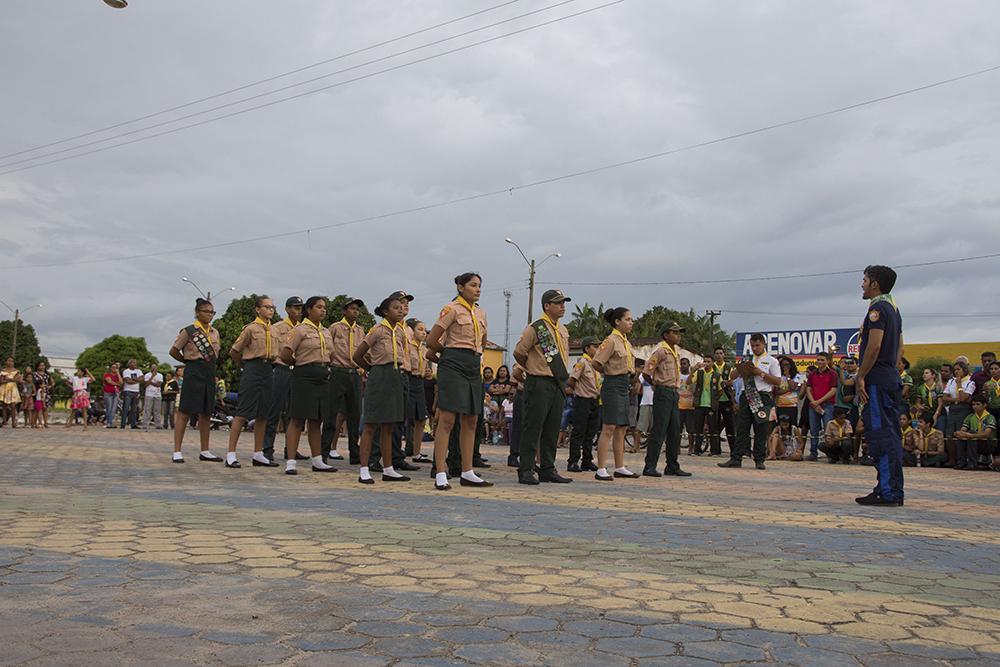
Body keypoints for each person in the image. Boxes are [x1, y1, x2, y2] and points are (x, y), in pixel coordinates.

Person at [425, 273, 492, 490]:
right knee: (447, 419)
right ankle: (441, 472)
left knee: (472, 419)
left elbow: (482, 342)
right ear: (461, 287)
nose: (478, 289)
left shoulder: (481, 312)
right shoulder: (451, 309)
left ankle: (467, 471)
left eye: (479, 285)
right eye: (473, 285)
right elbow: (431, 340)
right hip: (453, 362)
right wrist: (447, 355)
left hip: (473, 364)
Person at [854, 265, 905, 506]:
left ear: (875, 283)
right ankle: (894, 490)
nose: (862, 284)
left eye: (864, 280)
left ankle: (887, 492)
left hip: (877, 381)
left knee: (881, 436)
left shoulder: (877, 308)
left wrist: (861, 376)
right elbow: (899, 349)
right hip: (890, 377)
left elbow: (874, 346)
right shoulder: (894, 308)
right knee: (892, 436)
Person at [513, 289, 573, 485]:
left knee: (552, 428)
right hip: (538, 381)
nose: (562, 306)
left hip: (557, 383)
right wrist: (530, 368)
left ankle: (548, 468)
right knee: (533, 426)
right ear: (547, 305)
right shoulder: (536, 328)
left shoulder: (563, 330)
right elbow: (519, 352)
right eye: (558, 303)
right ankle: (526, 469)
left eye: (563, 302)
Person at [353, 293, 412, 484]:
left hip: (396, 376)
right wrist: (372, 369)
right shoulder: (377, 330)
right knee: (371, 424)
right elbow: (358, 355)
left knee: (390, 425)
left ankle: (388, 469)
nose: (400, 310)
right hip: (379, 376)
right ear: (385, 311)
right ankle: (364, 469)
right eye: (396, 308)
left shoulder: (401, 332)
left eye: (401, 308)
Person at [280, 296, 338, 476]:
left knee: (317, 419)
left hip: (322, 377)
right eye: (319, 307)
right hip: (304, 376)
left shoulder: (326, 331)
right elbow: (286, 354)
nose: (323, 310)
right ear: (309, 309)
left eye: (324, 307)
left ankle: (317, 459)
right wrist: (300, 365)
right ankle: (291, 461)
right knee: (297, 419)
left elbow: (332, 354)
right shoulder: (299, 330)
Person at [225, 295, 280, 468]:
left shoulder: (275, 330)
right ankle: (231, 454)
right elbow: (235, 351)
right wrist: (244, 366)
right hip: (252, 368)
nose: (270, 310)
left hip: (268, 369)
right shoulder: (250, 329)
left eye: (272, 307)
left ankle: (258, 454)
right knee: (242, 413)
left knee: (263, 413)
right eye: (266, 306)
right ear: (257, 309)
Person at [169, 298, 223, 463]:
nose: (210, 315)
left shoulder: (214, 332)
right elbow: (174, 350)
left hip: (209, 371)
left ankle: (205, 450)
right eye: (206, 311)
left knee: (206, 412)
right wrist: (188, 361)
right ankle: (177, 451)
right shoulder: (189, 330)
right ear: (197, 313)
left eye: (212, 312)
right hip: (193, 371)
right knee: (185, 411)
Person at [718, 333, 782, 470]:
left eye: (757, 345)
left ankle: (759, 459)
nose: (754, 348)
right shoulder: (747, 359)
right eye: (752, 345)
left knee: (760, 429)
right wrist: (741, 369)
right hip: (746, 395)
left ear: (764, 344)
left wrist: (760, 373)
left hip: (762, 395)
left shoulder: (771, 361)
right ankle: (736, 458)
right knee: (741, 428)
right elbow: (733, 376)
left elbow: (777, 381)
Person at [591, 307, 640, 481]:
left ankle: (620, 466)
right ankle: (601, 468)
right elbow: (597, 362)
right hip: (612, 384)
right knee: (609, 426)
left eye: (631, 319)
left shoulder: (626, 342)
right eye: (627, 319)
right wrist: (609, 371)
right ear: (617, 321)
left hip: (624, 385)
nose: (631, 322)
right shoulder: (610, 340)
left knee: (622, 427)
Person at [641, 321, 691, 478]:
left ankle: (672, 465)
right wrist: (656, 385)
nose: (678, 336)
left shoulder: (674, 352)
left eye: (679, 332)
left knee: (675, 430)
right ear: (666, 334)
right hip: (663, 392)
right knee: (659, 430)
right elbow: (646, 373)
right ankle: (650, 466)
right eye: (675, 332)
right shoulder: (661, 351)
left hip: (674, 392)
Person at [323, 297, 365, 465]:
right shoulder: (335, 328)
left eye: (357, 309)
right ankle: (324, 452)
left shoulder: (360, 330)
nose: (355, 311)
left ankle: (355, 453)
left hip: (354, 373)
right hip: (338, 371)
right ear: (344, 311)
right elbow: (327, 348)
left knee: (355, 414)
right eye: (352, 308)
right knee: (331, 413)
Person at [262, 296, 303, 462]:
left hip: (298, 371)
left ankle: (291, 449)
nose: (298, 311)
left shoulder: (304, 328)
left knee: (295, 413)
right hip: (282, 370)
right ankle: (267, 448)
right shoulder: (277, 327)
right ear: (287, 309)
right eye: (295, 307)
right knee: (275, 410)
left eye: (300, 308)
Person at [567, 336, 601, 472]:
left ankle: (587, 460)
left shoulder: (596, 364)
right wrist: (580, 391)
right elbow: (571, 380)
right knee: (579, 432)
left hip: (594, 400)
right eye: (595, 346)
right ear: (587, 348)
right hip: (582, 400)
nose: (598, 349)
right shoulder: (582, 362)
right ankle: (573, 461)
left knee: (590, 432)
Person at [405, 318, 432, 463]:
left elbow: (425, 367)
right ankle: (398, 450)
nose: (424, 332)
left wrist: (427, 372)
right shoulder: (407, 346)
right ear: (411, 331)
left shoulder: (423, 348)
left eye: (424, 330)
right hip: (409, 380)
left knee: (421, 418)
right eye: (419, 329)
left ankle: (417, 453)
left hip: (420, 383)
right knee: (405, 417)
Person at [941, 360, 975, 468]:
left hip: (964, 409)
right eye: (955, 370)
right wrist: (956, 399)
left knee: (960, 434)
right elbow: (945, 397)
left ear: (964, 370)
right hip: (953, 408)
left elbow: (965, 397)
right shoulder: (951, 381)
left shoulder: (970, 382)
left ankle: (962, 460)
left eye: (958, 369)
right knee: (950, 434)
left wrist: (959, 385)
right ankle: (952, 459)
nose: (956, 372)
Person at [806, 352, 838, 461]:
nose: (820, 362)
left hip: (828, 404)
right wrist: (814, 402)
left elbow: (834, 390)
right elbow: (808, 389)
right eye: (818, 359)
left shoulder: (833, 374)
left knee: (828, 430)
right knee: (814, 430)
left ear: (828, 361)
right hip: (813, 405)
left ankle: (830, 454)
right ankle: (813, 453)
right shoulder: (812, 374)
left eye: (822, 360)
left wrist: (819, 401)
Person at [955, 394, 996, 470]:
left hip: (987, 443)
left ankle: (972, 464)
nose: (975, 406)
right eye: (973, 404)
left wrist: (970, 435)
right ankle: (961, 462)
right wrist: (959, 433)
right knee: (961, 438)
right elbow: (963, 430)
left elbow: (987, 434)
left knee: (971, 435)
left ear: (984, 405)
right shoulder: (970, 416)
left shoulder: (990, 417)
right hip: (974, 441)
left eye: (978, 404)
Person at [689, 356, 716, 455]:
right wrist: (693, 370)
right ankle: (697, 450)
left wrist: (714, 399)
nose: (706, 363)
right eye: (705, 361)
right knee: (698, 428)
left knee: (712, 428)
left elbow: (720, 390)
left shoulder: (716, 375)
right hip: (699, 404)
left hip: (711, 405)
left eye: (709, 361)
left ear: (712, 363)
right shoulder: (699, 373)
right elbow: (688, 382)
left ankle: (714, 451)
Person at [712, 346, 736, 452]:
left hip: (726, 399)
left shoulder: (729, 367)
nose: (718, 355)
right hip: (714, 400)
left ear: (724, 355)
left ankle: (733, 449)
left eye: (720, 353)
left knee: (729, 425)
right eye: (716, 353)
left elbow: (733, 381)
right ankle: (716, 449)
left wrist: (726, 383)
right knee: (714, 425)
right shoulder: (711, 367)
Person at [774, 356, 801, 427]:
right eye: (783, 365)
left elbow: (793, 386)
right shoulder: (778, 376)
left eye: (787, 365)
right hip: (780, 405)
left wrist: (788, 376)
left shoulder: (797, 375)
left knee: (792, 426)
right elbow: (776, 392)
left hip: (792, 405)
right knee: (780, 426)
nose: (785, 367)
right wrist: (789, 389)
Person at [677, 357, 696, 453]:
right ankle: (677, 448)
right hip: (679, 406)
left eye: (684, 364)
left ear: (688, 365)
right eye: (681, 364)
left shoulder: (693, 376)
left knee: (690, 429)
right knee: (678, 428)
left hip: (690, 406)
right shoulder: (677, 376)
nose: (682, 366)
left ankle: (691, 448)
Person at [120, 359, 142, 429]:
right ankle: (123, 424)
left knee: (134, 409)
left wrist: (134, 380)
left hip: (136, 392)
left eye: (135, 363)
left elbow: (142, 379)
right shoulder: (126, 371)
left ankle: (133, 424)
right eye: (133, 363)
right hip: (128, 391)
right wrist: (137, 380)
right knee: (126, 408)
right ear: (129, 364)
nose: (135, 364)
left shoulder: (139, 371)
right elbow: (127, 381)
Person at [140, 363, 164, 430]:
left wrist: (151, 382)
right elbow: (146, 384)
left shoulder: (160, 375)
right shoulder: (147, 375)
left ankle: (158, 424)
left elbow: (159, 384)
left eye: (155, 367)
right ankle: (145, 424)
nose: (154, 368)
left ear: (157, 368)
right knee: (147, 409)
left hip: (158, 395)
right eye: (152, 367)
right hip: (149, 394)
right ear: (150, 368)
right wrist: (152, 377)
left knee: (157, 410)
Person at [0, 358, 22, 428]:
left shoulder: (16, 371)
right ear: (6, 362)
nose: (10, 362)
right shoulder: (2, 371)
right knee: (4, 406)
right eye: (8, 360)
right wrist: (11, 380)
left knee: (13, 406)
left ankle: (13, 422)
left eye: (12, 361)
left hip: (13, 389)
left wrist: (8, 379)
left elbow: (17, 380)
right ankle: (4, 421)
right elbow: (1, 381)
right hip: (4, 388)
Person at [102, 363, 122, 429]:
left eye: (116, 367)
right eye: (113, 367)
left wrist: (118, 373)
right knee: (109, 408)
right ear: (110, 368)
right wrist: (117, 384)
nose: (114, 369)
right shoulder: (107, 374)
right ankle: (108, 423)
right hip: (108, 393)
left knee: (113, 409)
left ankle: (110, 423)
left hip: (116, 393)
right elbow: (109, 381)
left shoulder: (117, 375)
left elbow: (121, 382)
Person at [32, 362, 52, 428]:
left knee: (45, 408)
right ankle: (34, 423)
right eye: (41, 365)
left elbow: (52, 382)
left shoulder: (47, 375)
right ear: (37, 366)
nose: (42, 367)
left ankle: (46, 423)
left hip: (45, 392)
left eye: (43, 365)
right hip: (37, 392)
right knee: (36, 409)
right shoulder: (34, 374)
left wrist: (49, 386)